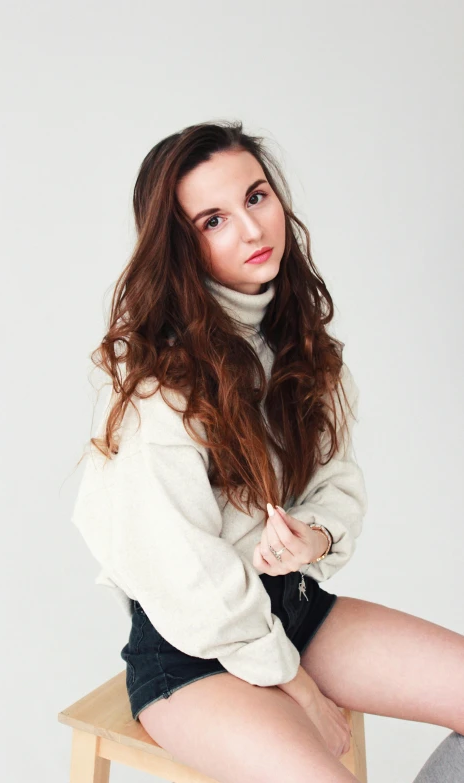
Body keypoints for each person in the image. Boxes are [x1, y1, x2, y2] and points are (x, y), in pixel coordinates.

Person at [71, 121, 464, 783]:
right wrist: (299, 686)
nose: (253, 229)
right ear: (179, 247)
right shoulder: (158, 394)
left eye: (256, 197)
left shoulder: (302, 347)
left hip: (294, 607)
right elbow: (186, 580)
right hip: (192, 650)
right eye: (214, 219)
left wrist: (314, 535)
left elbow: (338, 479)